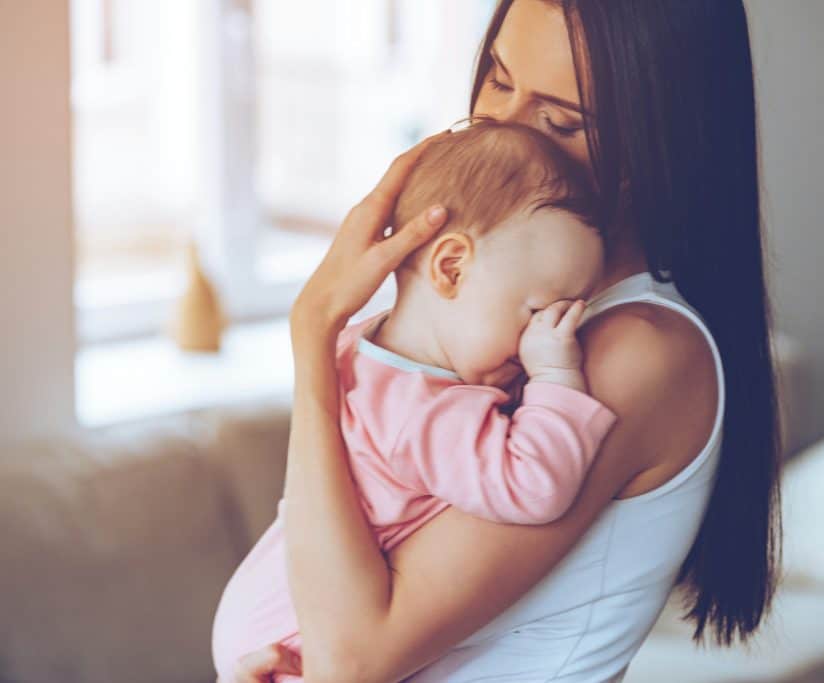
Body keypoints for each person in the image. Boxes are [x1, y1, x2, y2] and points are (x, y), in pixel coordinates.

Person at [228, 0, 781, 681]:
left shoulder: (634, 350)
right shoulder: (497, 310)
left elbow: (351, 659)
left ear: (661, 139)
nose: (501, 129)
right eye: (497, 76)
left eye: (560, 120)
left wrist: (315, 338)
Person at [210, 121, 621, 682]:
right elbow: (534, 484)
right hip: (293, 637)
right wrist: (556, 372)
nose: (543, 339)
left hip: (269, 615)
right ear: (450, 267)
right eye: (539, 313)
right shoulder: (426, 411)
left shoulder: (362, 345)